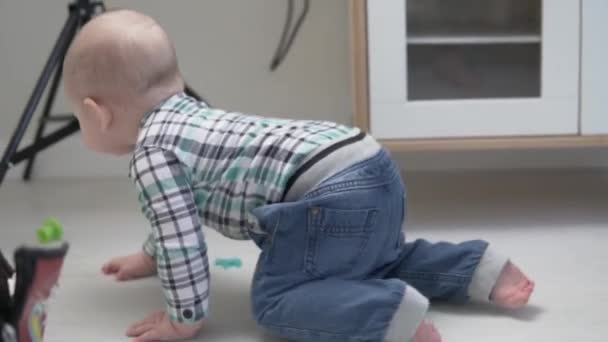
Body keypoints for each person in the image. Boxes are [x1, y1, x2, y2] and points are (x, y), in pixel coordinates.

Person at [62, 9, 534, 342]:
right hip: (368, 161)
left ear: (97, 114)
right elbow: (173, 215)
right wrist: (147, 258)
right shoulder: (188, 116)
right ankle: (479, 268)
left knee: (275, 299)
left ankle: (387, 315)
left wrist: (183, 318)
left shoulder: (151, 153)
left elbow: (180, 237)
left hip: (322, 197)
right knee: (375, 259)